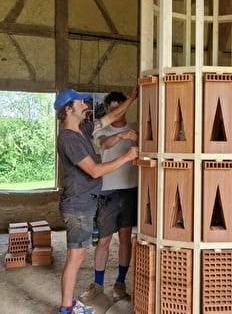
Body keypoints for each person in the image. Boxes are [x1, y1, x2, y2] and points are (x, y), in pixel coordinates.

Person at [54, 87, 138, 314]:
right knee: (75, 255)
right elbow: (94, 171)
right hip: (78, 204)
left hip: (86, 201)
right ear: (68, 109)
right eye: (80, 102)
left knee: (78, 254)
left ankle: (68, 306)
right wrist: (127, 156)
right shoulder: (69, 138)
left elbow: (108, 118)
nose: (85, 105)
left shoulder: (82, 129)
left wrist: (131, 98)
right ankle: (66, 308)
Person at [79, 91, 138, 304]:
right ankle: (97, 285)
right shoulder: (101, 130)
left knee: (125, 237)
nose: (115, 113)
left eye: (118, 108)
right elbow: (104, 144)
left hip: (131, 190)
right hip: (108, 192)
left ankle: (120, 283)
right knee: (103, 240)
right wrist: (122, 136)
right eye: (111, 109)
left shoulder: (136, 127)